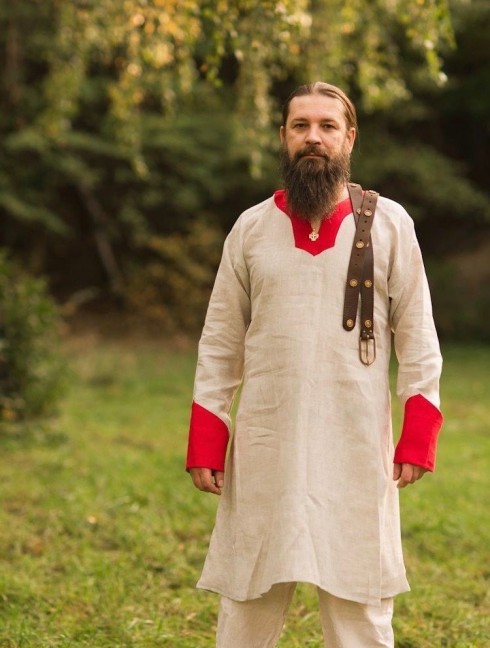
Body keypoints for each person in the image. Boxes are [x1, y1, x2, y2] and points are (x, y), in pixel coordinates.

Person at [186, 81, 443, 648]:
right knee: (247, 600)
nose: (314, 138)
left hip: (355, 438)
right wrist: (207, 436)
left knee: (360, 600)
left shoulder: (391, 224)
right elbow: (221, 341)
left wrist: (419, 431)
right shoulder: (251, 228)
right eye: (301, 126)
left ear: (349, 138)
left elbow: (418, 335)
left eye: (328, 126)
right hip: (267, 438)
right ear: (284, 136)